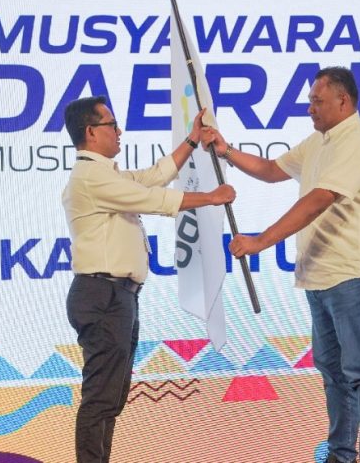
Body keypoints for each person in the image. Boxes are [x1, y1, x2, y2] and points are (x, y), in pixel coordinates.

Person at [202, 66, 360, 463]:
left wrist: (261, 241)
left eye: (317, 101)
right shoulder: (320, 141)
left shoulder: (355, 141)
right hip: (320, 277)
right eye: (310, 101)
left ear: (343, 101)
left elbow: (319, 199)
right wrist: (226, 151)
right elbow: (273, 170)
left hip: (352, 274)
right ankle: (341, 453)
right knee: (333, 373)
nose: (310, 108)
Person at [62, 96, 235, 463]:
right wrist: (211, 197)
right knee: (101, 397)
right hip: (102, 294)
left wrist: (191, 140)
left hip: (117, 296)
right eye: (111, 124)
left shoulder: (106, 173)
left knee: (112, 396)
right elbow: (153, 198)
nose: (119, 131)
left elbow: (154, 176)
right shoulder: (91, 177)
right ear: (91, 132)